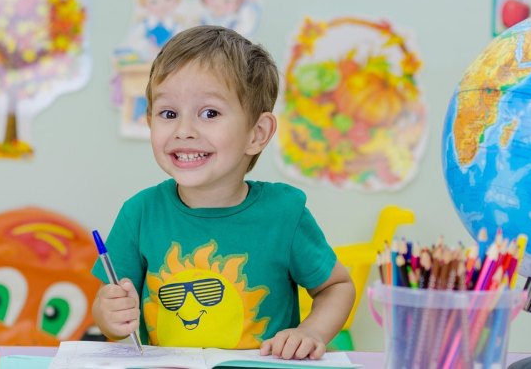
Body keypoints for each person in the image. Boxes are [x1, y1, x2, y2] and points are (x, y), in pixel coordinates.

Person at [91, 26, 354, 360]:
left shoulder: (285, 214)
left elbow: (336, 286)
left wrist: (311, 331)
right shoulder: (140, 213)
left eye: (210, 113)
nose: (184, 131)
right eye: (169, 114)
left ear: (257, 133)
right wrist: (110, 316)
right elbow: (109, 311)